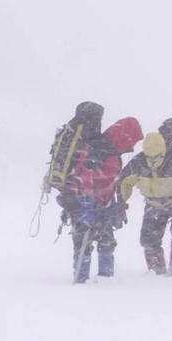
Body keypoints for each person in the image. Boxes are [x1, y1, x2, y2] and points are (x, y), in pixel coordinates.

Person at [57, 116, 144, 283]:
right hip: (85, 204)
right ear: (126, 137)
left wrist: (117, 206)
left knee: (104, 241)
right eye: (132, 140)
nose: (132, 146)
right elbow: (87, 180)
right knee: (86, 243)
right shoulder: (100, 150)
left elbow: (112, 182)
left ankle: (104, 279)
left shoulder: (111, 151)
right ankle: (82, 280)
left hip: (102, 204)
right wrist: (87, 209)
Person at [117, 132, 172, 276]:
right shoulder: (138, 163)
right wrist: (121, 203)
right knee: (148, 240)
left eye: (157, 157)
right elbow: (123, 182)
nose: (153, 161)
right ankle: (156, 273)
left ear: (164, 151)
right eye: (149, 157)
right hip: (153, 204)